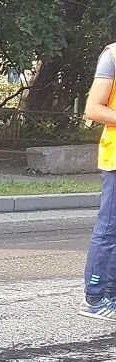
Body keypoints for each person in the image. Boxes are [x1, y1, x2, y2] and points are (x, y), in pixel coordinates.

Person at [79, 42, 116, 320]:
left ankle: (112, 295)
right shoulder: (113, 55)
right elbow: (93, 109)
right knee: (109, 229)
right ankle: (94, 298)